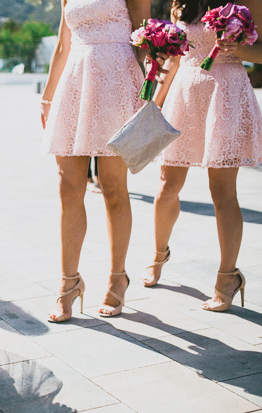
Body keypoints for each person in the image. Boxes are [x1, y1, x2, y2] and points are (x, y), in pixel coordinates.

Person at [145, 0, 262, 312]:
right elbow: (174, 56)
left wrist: (236, 46)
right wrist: (153, 102)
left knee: (222, 191)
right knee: (167, 185)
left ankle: (228, 277)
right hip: (184, 93)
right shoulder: (181, 4)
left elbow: (260, 52)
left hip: (226, 93)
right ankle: (158, 254)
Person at [40, 0, 152, 322]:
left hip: (117, 82)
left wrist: (150, 83)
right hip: (75, 83)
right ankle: (69, 283)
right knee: (67, 187)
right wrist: (48, 96)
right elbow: (63, 44)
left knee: (113, 187)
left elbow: (142, 39)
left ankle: (118, 277)